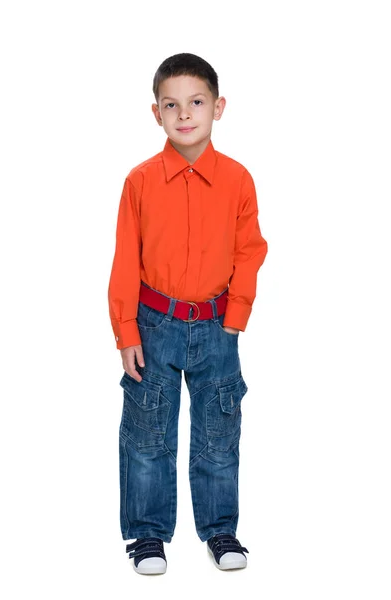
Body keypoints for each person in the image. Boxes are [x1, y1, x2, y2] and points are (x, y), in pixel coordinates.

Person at [108, 52, 268, 575]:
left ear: (218, 107)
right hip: (154, 324)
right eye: (171, 105)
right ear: (156, 113)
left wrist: (236, 315)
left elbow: (250, 249)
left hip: (218, 325)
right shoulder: (139, 182)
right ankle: (147, 536)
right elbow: (125, 258)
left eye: (195, 102)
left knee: (219, 432)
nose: (184, 114)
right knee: (147, 433)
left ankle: (221, 530)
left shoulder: (239, 180)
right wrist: (125, 329)